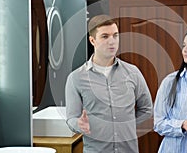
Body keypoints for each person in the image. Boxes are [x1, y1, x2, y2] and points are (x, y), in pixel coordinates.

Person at [65, 14, 153, 153]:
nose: (112, 41)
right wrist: (79, 124)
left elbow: (147, 109)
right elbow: (71, 118)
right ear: (92, 40)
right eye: (105, 36)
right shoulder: (76, 78)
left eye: (115, 35)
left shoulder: (133, 72)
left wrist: (125, 126)